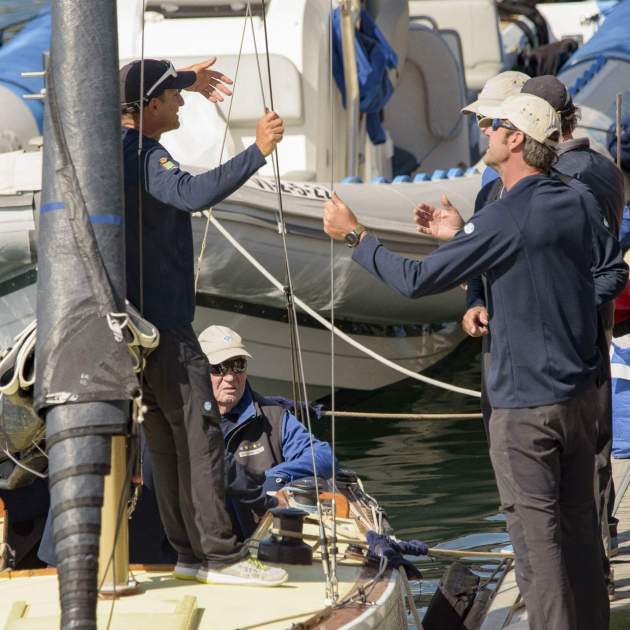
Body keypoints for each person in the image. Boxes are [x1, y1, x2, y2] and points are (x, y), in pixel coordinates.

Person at [323, 93, 628, 630]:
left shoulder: (503, 216)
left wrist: (356, 236)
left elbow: (415, 280)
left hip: (525, 412)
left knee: (538, 551)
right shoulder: (576, 200)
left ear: (517, 140)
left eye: (493, 125)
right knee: (581, 538)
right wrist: (559, 308)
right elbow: (612, 271)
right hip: (579, 399)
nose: (485, 131)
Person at [120, 57, 287, 587]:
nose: (181, 103)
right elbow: (191, 194)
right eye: (172, 97)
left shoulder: (113, 145)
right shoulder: (146, 155)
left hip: (138, 330)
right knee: (200, 436)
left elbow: (128, 83)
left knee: (167, 442)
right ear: (150, 106)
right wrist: (257, 151)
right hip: (168, 330)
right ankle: (221, 556)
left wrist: (186, 78)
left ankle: (189, 555)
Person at [198, 325, 335, 540]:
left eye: (238, 365)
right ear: (199, 370)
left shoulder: (273, 415)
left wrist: (274, 478)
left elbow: (324, 457)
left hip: (261, 541)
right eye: (219, 368)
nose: (231, 377)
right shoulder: (183, 420)